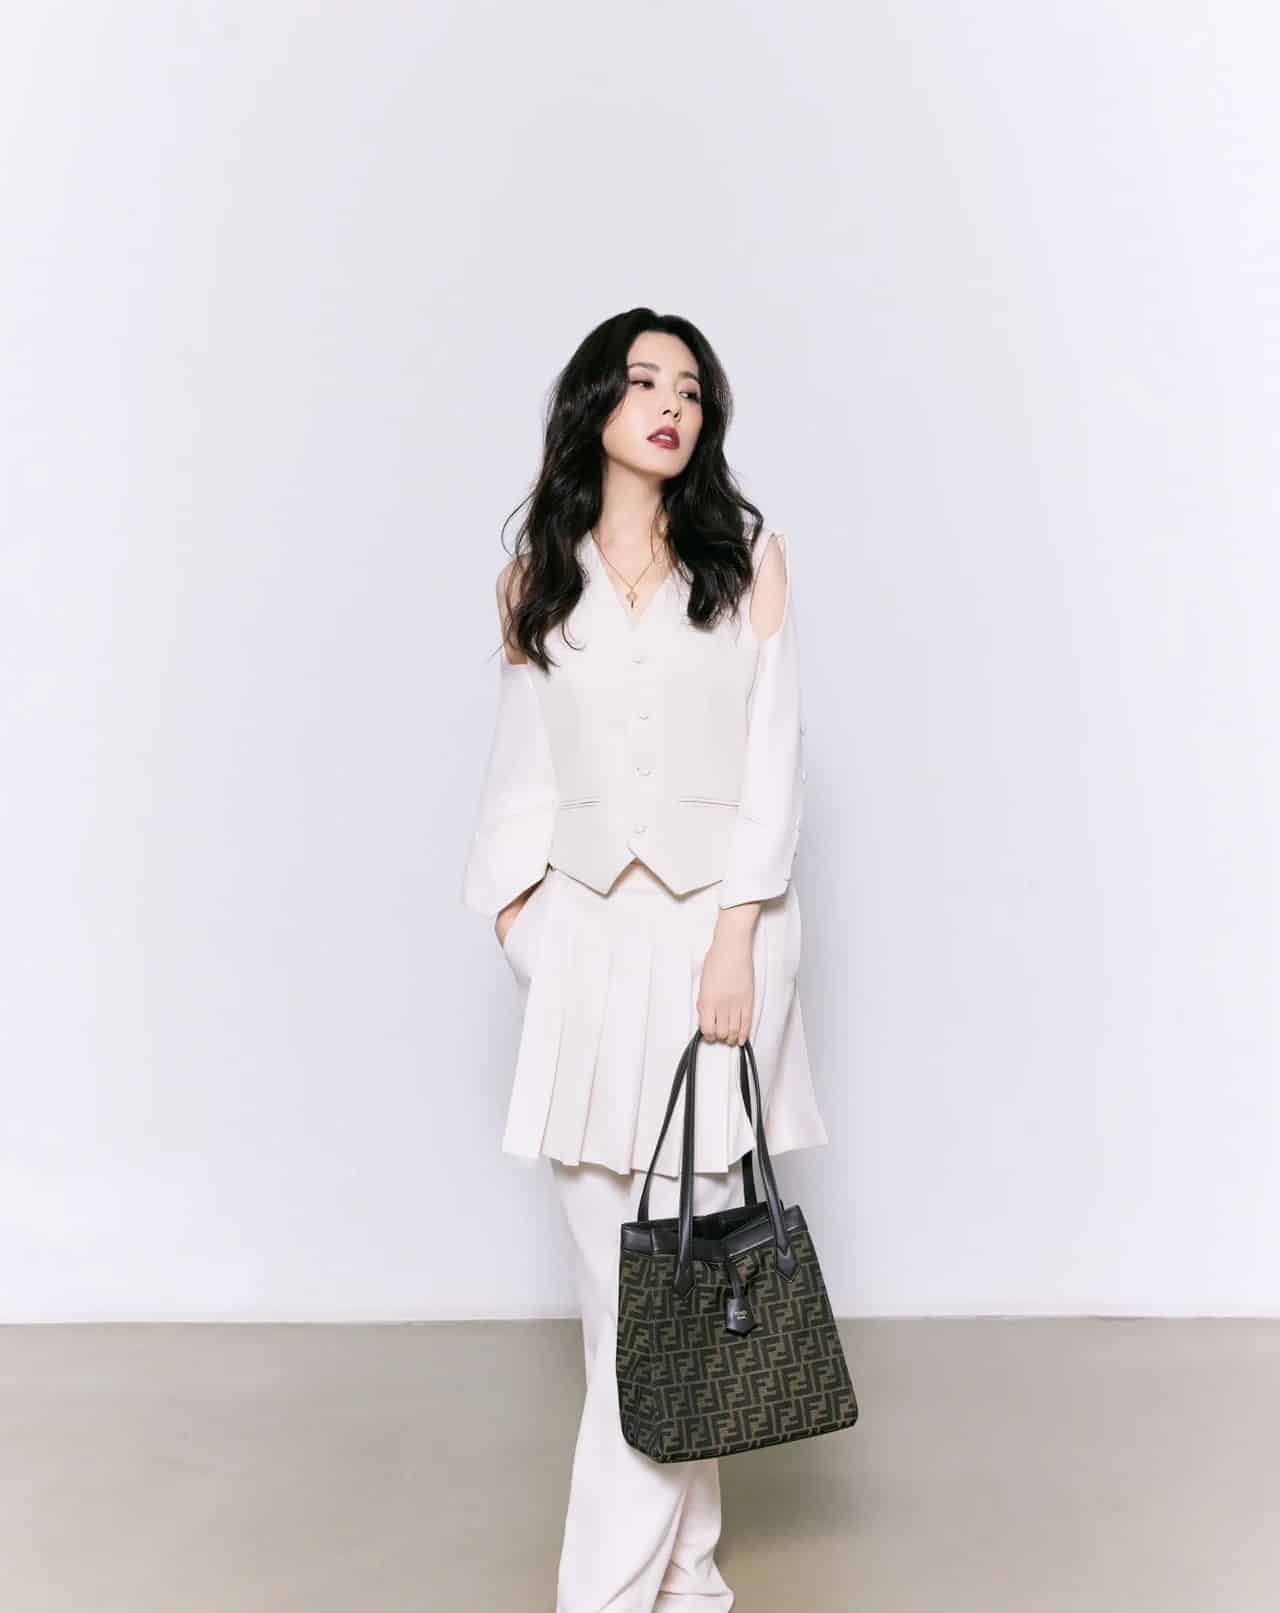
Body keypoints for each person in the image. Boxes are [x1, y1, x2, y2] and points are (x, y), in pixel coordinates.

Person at [461, 307, 830, 1613]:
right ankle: (691, 1584)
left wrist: (736, 943)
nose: (671, 404)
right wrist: (521, 927)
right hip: (582, 955)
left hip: (712, 951)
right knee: (625, 1305)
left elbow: (773, 763)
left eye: (690, 388)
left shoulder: (746, 564)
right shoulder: (535, 583)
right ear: (595, 407)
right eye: (643, 382)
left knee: (675, 1283)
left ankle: (605, 1600)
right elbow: (520, 776)